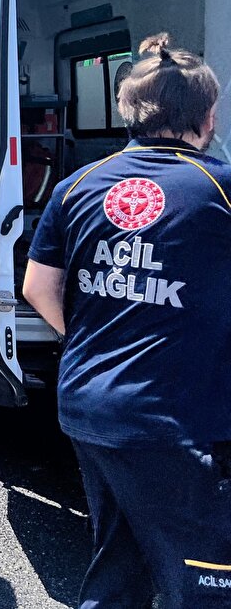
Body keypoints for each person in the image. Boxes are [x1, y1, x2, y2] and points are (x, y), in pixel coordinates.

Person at [23, 33, 231, 609]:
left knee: (122, 565)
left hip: (90, 406)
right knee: (208, 579)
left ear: (130, 112)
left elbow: (38, 287)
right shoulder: (219, 187)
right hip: (178, 417)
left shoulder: (76, 186)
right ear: (207, 114)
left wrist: (96, 336)